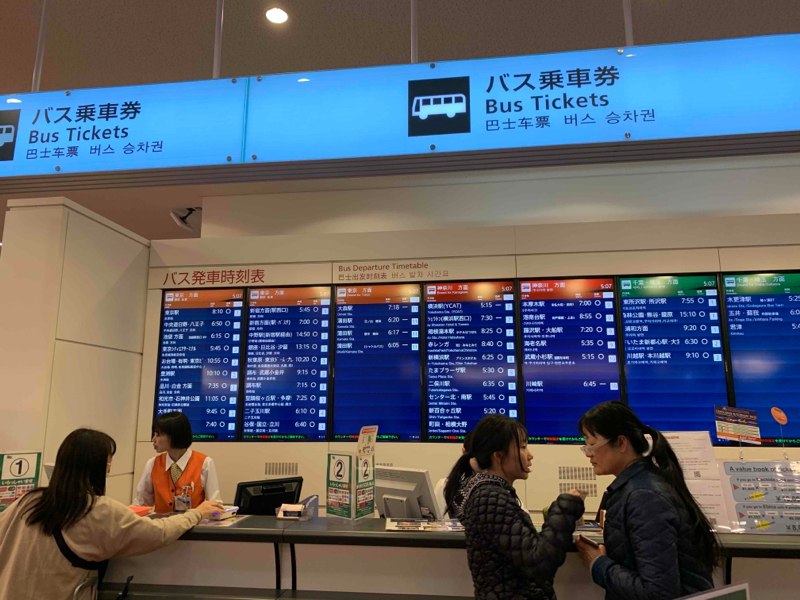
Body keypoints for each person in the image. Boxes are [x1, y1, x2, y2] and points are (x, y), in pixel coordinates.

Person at [0, 428, 223, 599]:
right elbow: (159, 533)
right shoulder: (99, 509)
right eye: (108, 463)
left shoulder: (28, 501)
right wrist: (197, 513)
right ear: (97, 467)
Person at [575, 401, 718, 600]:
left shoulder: (644, 497)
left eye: (592, 445)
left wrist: (598, 563)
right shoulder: (641, 486)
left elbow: (658, 593)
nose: (588, 454)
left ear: (622, 443)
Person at [445, 415, 585, 600]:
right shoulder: (490, 498)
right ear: (498, 456)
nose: (530, 455)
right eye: (523, 447)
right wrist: (565, 508)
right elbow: (538, 562)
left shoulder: (492, 493)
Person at [134, 411, 222, 512]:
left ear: (174, 435)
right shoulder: (153, 464)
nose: (153, 439)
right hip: (161, 522)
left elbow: (214, 505)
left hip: (195, 522)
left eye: (157, 435)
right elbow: (142, 503)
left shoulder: (205, 463)